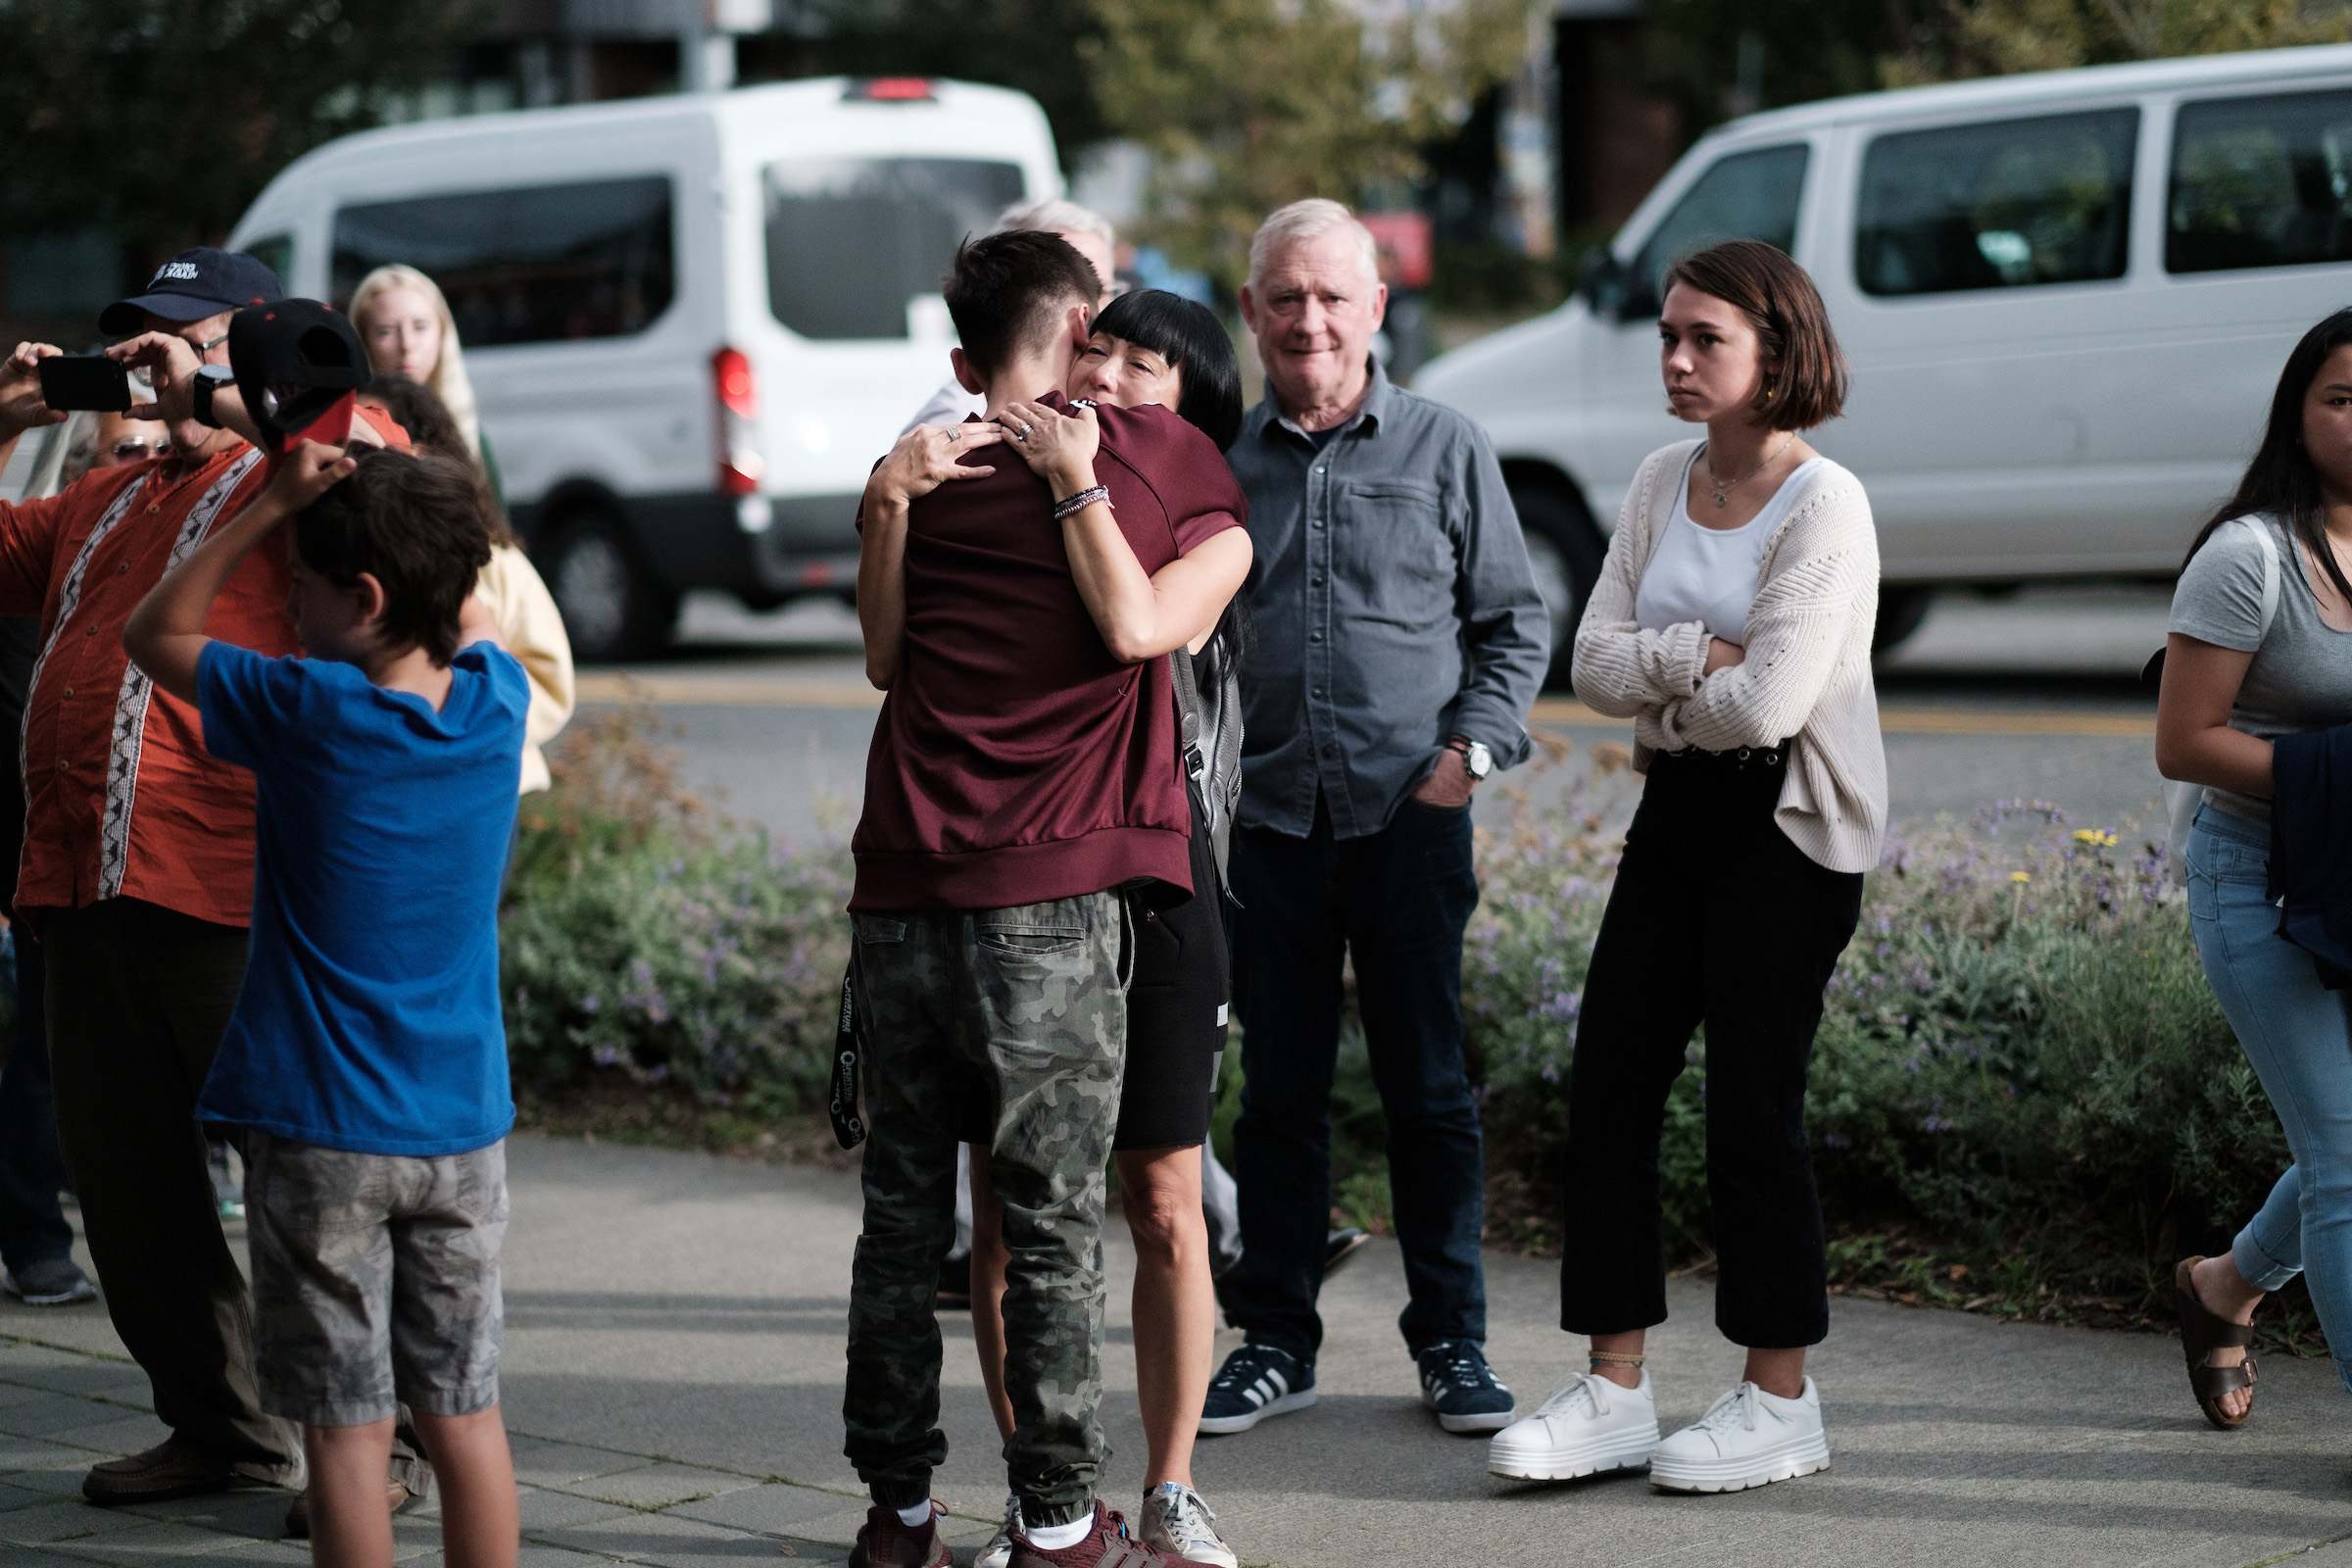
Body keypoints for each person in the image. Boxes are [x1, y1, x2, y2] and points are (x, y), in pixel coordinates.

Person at [843, 230, 1247, 1568]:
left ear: (964, 352)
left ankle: (899, 1520)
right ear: (1083, 328)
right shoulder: (1160, 459)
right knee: (1056, 1223)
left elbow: (885, 659)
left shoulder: (919, 463)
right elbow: (1142, 633)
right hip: (1055, 888)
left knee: (907, 1221)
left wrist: (889, 505)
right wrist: (1078, 491)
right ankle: (1062, 1529)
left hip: (903, 876)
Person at [1494, 239, 1884, 1494]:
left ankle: (1781, 1397)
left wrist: (1676, 674)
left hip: (1787, 828)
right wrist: (1692, 661)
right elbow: (1590, 662)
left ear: (1779, 348)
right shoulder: (1663, 478)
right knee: (1608, 1078)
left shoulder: (1827, 502)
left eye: (1705, 337)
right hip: (1677, 813)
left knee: (1749, 1108)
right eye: (1669, 334)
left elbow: (1773, 705)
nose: (1675, 357)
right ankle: (1615, 1386)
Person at [122, 425, 524, 1568]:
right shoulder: (492, 707)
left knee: (345, 1435)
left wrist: (259, 502)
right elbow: (472, 600)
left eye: (297, 587)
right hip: (461, 1131)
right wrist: (421, 492)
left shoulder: (307, 712)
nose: (284, 607)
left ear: (362, 595)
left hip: (321, 1133)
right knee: (464, 1413)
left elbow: (152, 632)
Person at [1203, 199, 1548, 1439]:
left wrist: (1470, 754)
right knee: (1280, 1094)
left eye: (1333, 296)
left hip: (1412, 818)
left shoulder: (1448, 446)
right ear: (1253, 314)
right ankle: (1275, 1341)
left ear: (1376, 308)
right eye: (1285, 298)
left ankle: (1452, 1340)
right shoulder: (1218, 468)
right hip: (1272, 831)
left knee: (1429, 1090)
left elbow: (1513, 623)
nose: (1309, 320)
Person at [0, 248, 318, 1504]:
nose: (143, 359)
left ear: (243, 344)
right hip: (76, 881)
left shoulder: (301, 477)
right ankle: (221, 1426)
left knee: (303, 1185)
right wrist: (6, 416)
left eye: (175, 336)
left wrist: (224, 403)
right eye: (131, 340)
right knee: (129, 1191)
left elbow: (384, 474)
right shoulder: (105, 491)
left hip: (222, 884)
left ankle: (376, 1442)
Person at [956, 289, 1246, 1568]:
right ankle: (1047, 1503)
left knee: (1165, 1201)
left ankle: (1173, 1487)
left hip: (1165, 889)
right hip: (1015, 886)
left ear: (1192, 412)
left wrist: (1077, 489)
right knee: (1014, 1211)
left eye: (1151, 366)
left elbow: (1136, 628)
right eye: (1103, 352)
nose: (1117, 377)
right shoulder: (1000, 478)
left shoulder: (1205, 518)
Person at [2156, 308, 2352, 1430]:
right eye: (2343, 398)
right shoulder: (2250, 556)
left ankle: (2223, 1286)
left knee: (2347, 1144)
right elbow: (2185, 741)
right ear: (2299, 412)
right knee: (2346, 1156)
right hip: (2260, 880)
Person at [356, 376, 574, 803]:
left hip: (485, 784)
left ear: (417, 453)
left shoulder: (497, 563)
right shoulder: (336, 564)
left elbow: (549, 675)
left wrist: (461, 726)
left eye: (368, 434)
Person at [901, 199, 1120, 436]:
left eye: (1106, 291)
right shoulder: (941, 430)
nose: (1104, 309)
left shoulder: (1096, 408)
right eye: (1076, 284)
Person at [350, 266, 500, 497]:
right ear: (363, 342)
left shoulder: (471, 434)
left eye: (420, 327)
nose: (407, 344)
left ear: (443, 334)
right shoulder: (346, 435)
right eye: (386, 331)